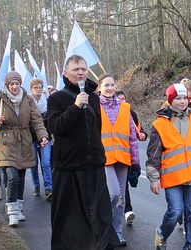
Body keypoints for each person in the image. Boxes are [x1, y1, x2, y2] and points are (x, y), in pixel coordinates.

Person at [48, 55, 119, 249]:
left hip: (94, 165)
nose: (80, 73)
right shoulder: (56, 99)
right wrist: (76, 106)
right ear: (66, 73)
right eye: (76, 69)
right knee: (72, 222)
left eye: (83, 69)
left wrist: (98, 155)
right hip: (69, 167)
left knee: (99, 214)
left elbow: (97, 129)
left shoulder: (94, 98)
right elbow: (56, 128)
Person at [147, 83, 191, 250]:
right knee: (175, 211)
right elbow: (153, 155)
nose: (183, 101)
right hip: (172, 176)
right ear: (170, 100)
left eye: (185, 98)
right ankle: (162, 233)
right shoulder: (160, 124)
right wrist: (154, 178)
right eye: (178, 98)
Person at [0, 71, 49, 227]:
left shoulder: (28, 99)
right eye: (11, 84)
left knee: (21, 178)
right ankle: (12, 212)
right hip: (6, 141)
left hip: (24, 142)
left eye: (17, 83)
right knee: (12, 177)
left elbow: (36, 120)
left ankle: (19, 208)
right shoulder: (1, 99)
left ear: (20, 84)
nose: (14, 86)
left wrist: (43, 136)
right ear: (7, 85)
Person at [98, 74, 141, 247]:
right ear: (99, 87)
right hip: (104, 159)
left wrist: (136, 162)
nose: (110, 88)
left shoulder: (125, 107)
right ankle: (104, 229)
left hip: (123, 158)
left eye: (112, 85)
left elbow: (132, 137)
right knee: (113, 193)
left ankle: (117, 233)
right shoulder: (95, 106)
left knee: (121, 198)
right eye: (106, 85)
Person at [115, 89, 147, 225]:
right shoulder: (112, 114)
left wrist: (143, 135)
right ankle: (126, 210)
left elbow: (140, 130)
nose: (122, 101)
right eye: (119, 99)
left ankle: (126, 210)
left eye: (124, 99)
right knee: (119, 187)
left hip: (129, 153)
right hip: (115, 154)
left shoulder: (131, 114)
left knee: (127, 182)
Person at [29, 78, 53, 200]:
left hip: (45, 136)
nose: (38, 90)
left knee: (46, 162)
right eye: (35, 88)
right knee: (34, 163)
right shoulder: (27, 103)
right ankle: (36, 185)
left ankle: (49, 187)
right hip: (32, 136)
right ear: (31, 89)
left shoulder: (48, 102)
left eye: (40, 87)